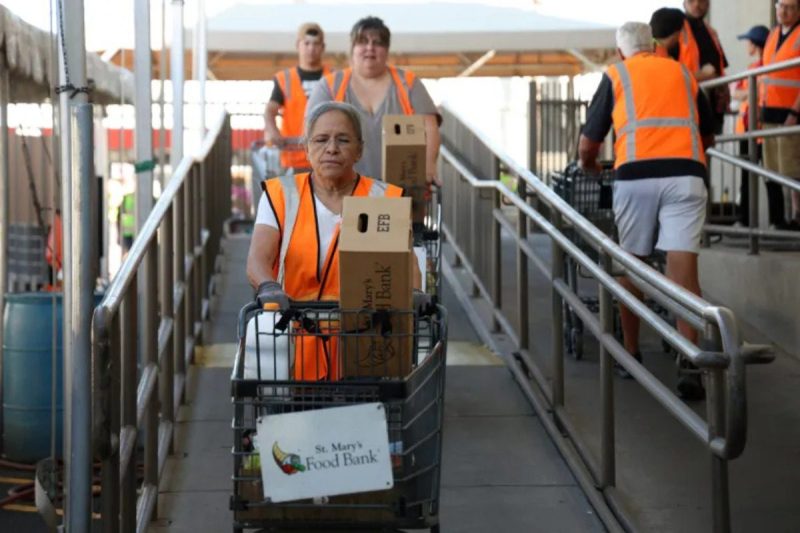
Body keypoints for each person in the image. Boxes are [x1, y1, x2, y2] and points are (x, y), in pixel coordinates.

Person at [578, 22, 715, 400]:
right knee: (683, 267)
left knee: (632, 263)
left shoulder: (616, 74)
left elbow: (589, 142)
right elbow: (709, 134)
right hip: (687, 174)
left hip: (635, 176)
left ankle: (630, 353)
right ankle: (690, 359)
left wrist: (590, 165)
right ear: (653, 46)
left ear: (620, 51)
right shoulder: (683, 73)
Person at [247, 102, 422, 381]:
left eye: (343, 140)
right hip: (292, 343)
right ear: (306, 148)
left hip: (367, 348)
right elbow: (258, 258)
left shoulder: (385, 198)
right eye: (320, 140)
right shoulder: (279, 195)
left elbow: (407, 264)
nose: (331, 148)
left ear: (359, 150)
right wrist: (268, 286)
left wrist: (414, 293)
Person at [306, 16, 441, 185]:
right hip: (343, 187)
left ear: (387, 50)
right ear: (352, 48)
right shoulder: (329, 86)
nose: (370, 47)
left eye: (377, 43)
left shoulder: (408, 84)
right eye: (362, 41)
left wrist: (428, 166)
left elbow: (430, 127)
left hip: (401, 187)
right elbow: (311, 132)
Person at [734, 25, 785, 227]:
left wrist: (748, 92)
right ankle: (756, 220)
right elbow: (737, 92)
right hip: (750, 130)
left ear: (755, 44)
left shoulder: (764, 69)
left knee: (769, 175)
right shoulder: (755, 68)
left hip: (761, 130)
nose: (747, 45)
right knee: (759, 175)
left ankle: (774, 221)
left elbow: (740, 93)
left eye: (748, 42)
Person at [264, 22, 331, 174]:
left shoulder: (334, 78)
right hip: (294, 159)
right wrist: (273, 132)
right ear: (298, 45)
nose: (311, 48)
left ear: (323, 47)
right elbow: (270, 111)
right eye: (306, 43)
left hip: (328, 158)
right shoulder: (285, 79)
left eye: (316, 44)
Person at [761, 0, 800, 228]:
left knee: (792, 167)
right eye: (780, 5)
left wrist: (795, 111)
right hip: (769, 111)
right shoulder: (773, 34)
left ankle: (797, 216)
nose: (783, 11)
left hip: (790, 112)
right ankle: (777, 219)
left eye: (790, 7)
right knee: (771, 168)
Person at [681, 0, 730, 133]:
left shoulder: (711, 32)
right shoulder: (677, 31)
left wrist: (725, 88)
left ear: (708, 4)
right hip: (689, 102)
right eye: (691, 1)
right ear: (684, 3)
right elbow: (670, 72)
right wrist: (702, 75)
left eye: (702, 1)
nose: (697, 5)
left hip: (713, 104)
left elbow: (720, 65)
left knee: (712, 142)